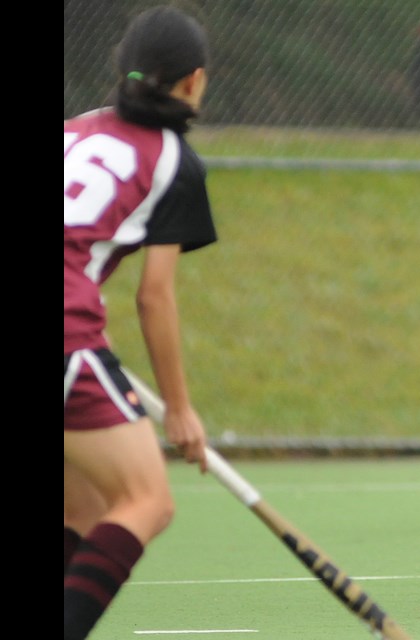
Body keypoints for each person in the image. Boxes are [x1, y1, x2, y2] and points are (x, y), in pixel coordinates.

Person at [64, 7, 217, 638]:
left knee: (87, 506)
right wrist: (179, 409)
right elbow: (154, 297)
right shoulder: (174, 161)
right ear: (194, 81)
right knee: (147, 500)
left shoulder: (72, 130)